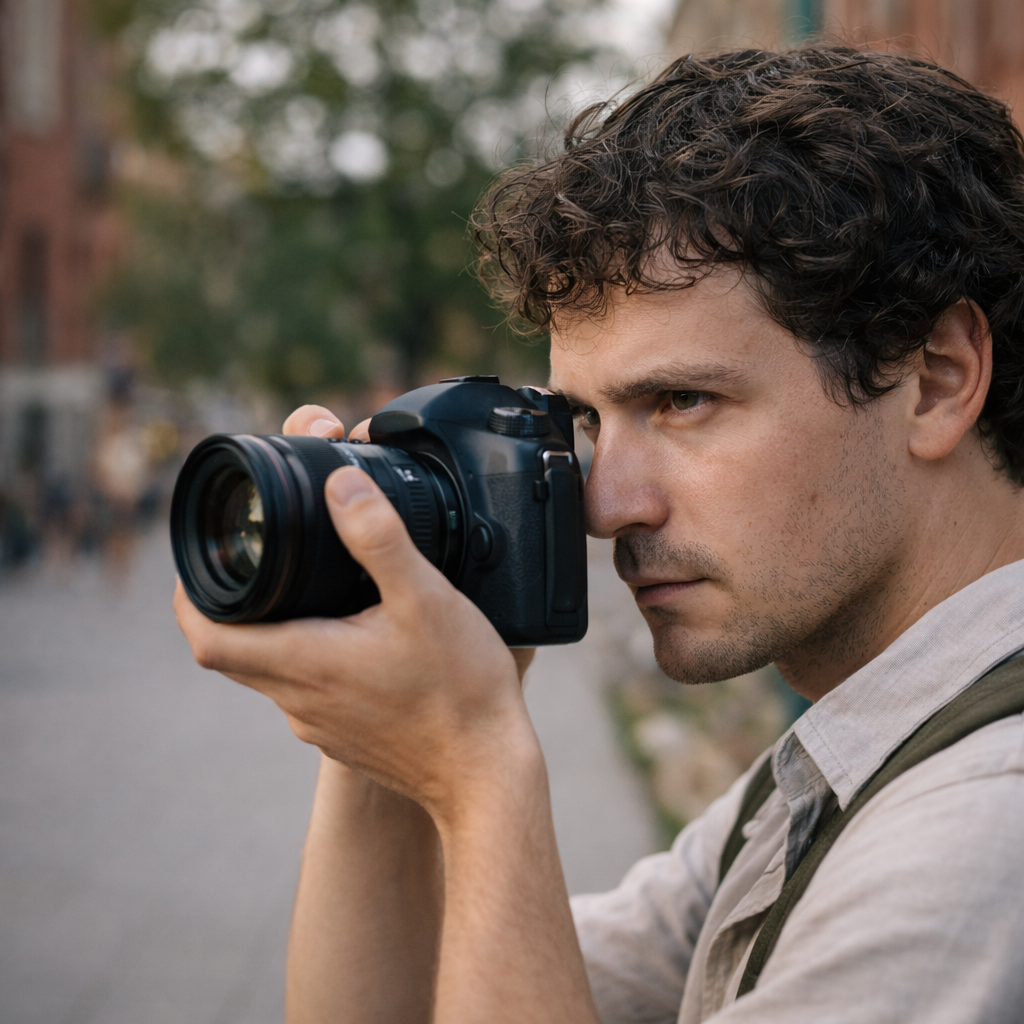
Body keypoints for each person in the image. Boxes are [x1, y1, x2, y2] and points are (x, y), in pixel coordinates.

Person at [174, 48, 1024, 1023]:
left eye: (682, 400)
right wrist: (377, 739)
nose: (604, 504)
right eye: (584, 422)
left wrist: (478, 770)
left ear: (937, 379)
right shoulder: (843, 765)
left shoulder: (977, 834)